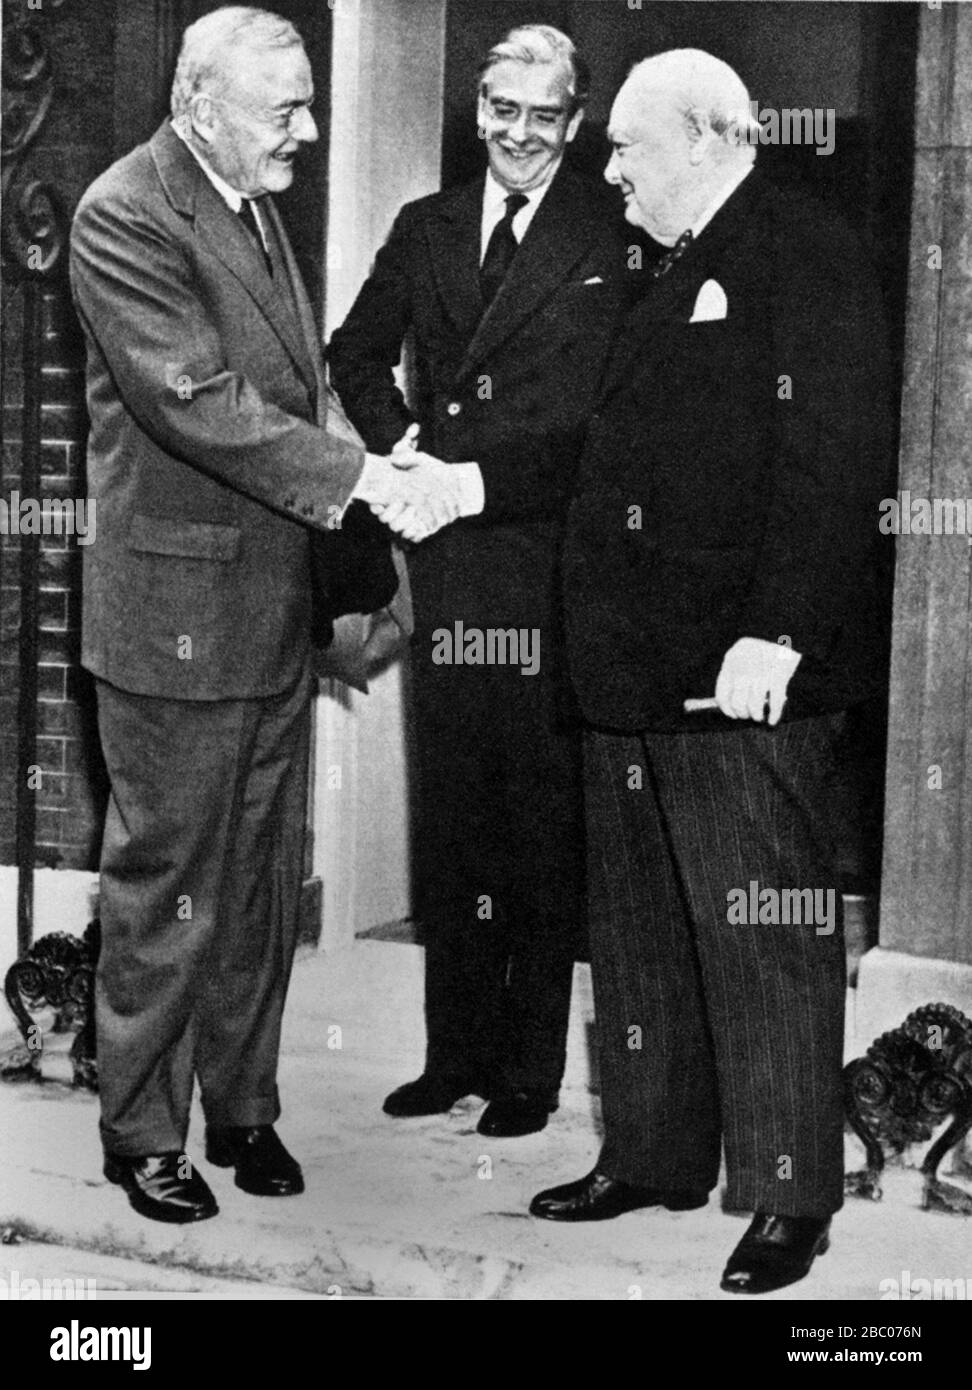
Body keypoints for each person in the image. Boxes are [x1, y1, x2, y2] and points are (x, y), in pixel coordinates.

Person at [69, 5, 453, 1224]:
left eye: (306, 102)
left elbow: (296, 382)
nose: (309, 127)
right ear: (198, 105)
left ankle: (242, 1107)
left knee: (258, 878)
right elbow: (200, 400)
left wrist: (365, 485)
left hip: (267, 608)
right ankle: (142, 1132)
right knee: (170, 884)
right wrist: (359, 482)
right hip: (174, 614)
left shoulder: (250, 197)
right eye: (283, 108)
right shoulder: (125, 212)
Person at [530, 50, 893, 1294]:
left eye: (630, 149)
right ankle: (652, 1151)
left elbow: (834, 449)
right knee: (637, 932)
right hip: (628, 670)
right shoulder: (656, 265)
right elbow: (597, 442)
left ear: (709, 137)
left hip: (737, 672)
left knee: (762, 928)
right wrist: (460, 479)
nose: (613, 172)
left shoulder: (805, 246)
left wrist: (780, 631)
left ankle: (792, 1192)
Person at [328, 25, 633, 1138]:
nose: (515, 133)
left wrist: (476, 481)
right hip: (446, 567)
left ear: (578, 120)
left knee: (538, 824)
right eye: (498, 110)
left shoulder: (616, 230)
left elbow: (609, 424)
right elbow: (351, 351)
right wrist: (403, 445)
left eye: (540, 116)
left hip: (546, 564)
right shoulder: (429, 226)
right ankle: (450, 1052)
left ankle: (525, 1072)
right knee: (451, 814)